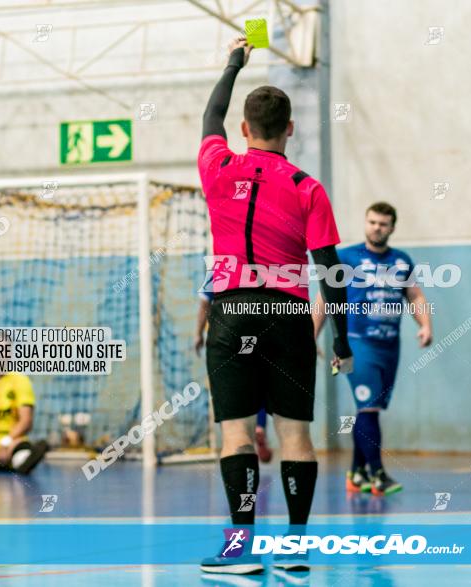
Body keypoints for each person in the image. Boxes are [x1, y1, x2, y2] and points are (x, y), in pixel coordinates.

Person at [197, 37, 353, 576]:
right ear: (291, 129)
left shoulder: (217, 166)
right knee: (296, 435)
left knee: (237, 433)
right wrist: (342, 341)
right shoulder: (308, 188)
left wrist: (233, 61)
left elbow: (211, 113)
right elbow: (331, 271)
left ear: (245, 130)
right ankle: (296, 547)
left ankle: (240, 550)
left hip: (231, 309)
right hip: (288, 314)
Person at [313, 202, 433, 495]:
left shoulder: (401, 261)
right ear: (365, 223)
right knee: (369, 406)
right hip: (355, 344)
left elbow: (415, 296)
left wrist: (425, 324)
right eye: (372, 222)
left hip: (389, 346)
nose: (377, 228)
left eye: (383, 223)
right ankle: (378, 474)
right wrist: (312, 336)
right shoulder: (346, 257)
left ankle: (356, 473)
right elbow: (324, 298)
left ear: (392, 227)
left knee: (368, 410)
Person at [196, 274, 272, 463]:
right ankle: (260, 426)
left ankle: (237, 438)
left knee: (232, 389)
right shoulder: (261, 268)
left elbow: (204, 306)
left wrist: (198, 334)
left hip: (225, 337)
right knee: (260, 385)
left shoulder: (217, 272)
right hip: (257, 333)